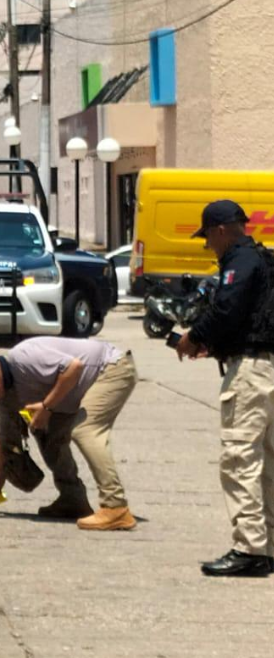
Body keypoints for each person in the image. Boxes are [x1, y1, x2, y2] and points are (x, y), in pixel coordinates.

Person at [177, 200, 274, 577]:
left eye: (207, 238)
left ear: (220, 230)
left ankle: (249, 549)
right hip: (269, 365)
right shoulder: (266, 261)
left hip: (251, 372)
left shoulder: (240, 261)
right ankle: (267, 546)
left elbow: (227, 310)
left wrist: (194, 337)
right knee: (267, 462)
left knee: (240, 459)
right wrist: (214, 345)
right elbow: (253, 318)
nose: (208, 247)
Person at [0, 336, 138, 531]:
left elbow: (75, 367)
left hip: (112, 369)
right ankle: (73, 500)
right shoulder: (6, 396)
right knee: (47, 434)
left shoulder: (24, 357)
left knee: (85, 431)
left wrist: (46, 407)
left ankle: (115, 507)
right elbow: (5, 441)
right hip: (77, 387)